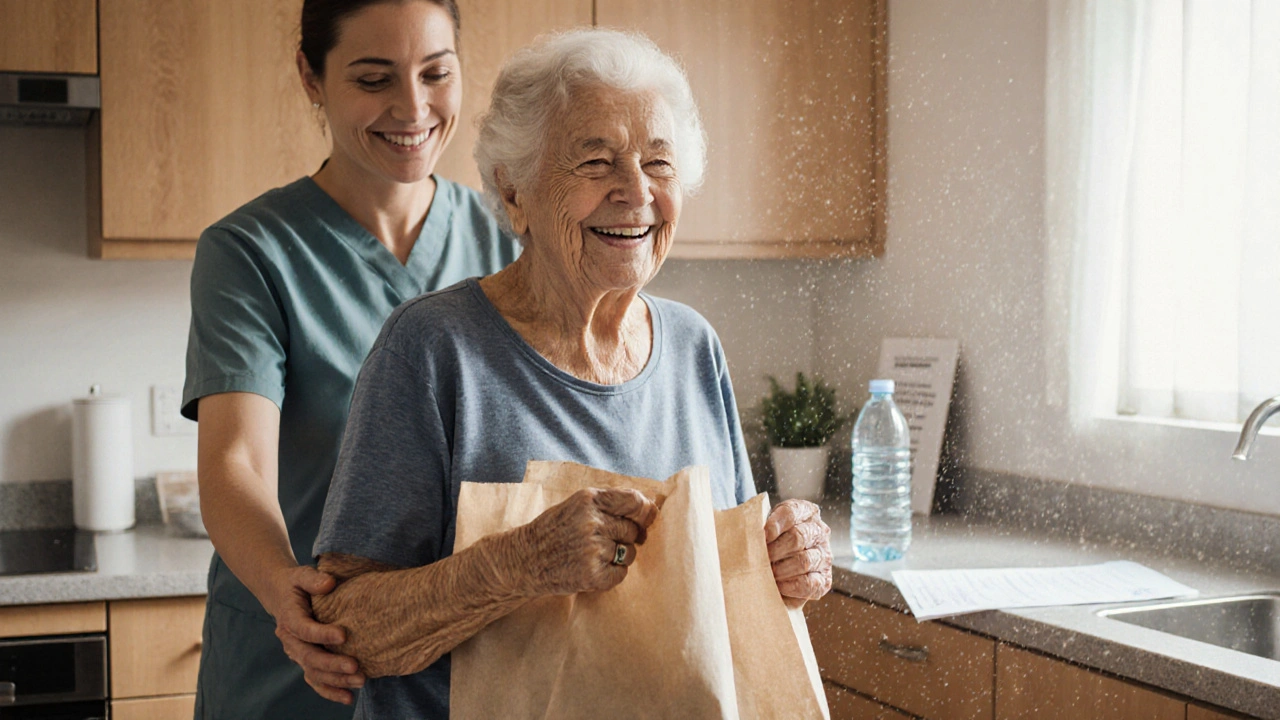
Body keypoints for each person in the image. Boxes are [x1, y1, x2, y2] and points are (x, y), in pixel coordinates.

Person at [309, 28, 834, 718]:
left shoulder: (694, 347)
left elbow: (726, 598)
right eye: (595, 162)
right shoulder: (432, 349)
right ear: (514, 191)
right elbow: (345, 630)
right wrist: (514, 565)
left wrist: (787, 565)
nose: (636, 192)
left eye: (658, 163)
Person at [179, 0, 519, 716]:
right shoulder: (250, 253)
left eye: (436, 73)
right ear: (312, 76)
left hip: (460, 674)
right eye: (373, 79)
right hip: (298, 666)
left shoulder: (511, 239)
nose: (413, 108)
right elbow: (237, 461)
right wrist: (286, 593)